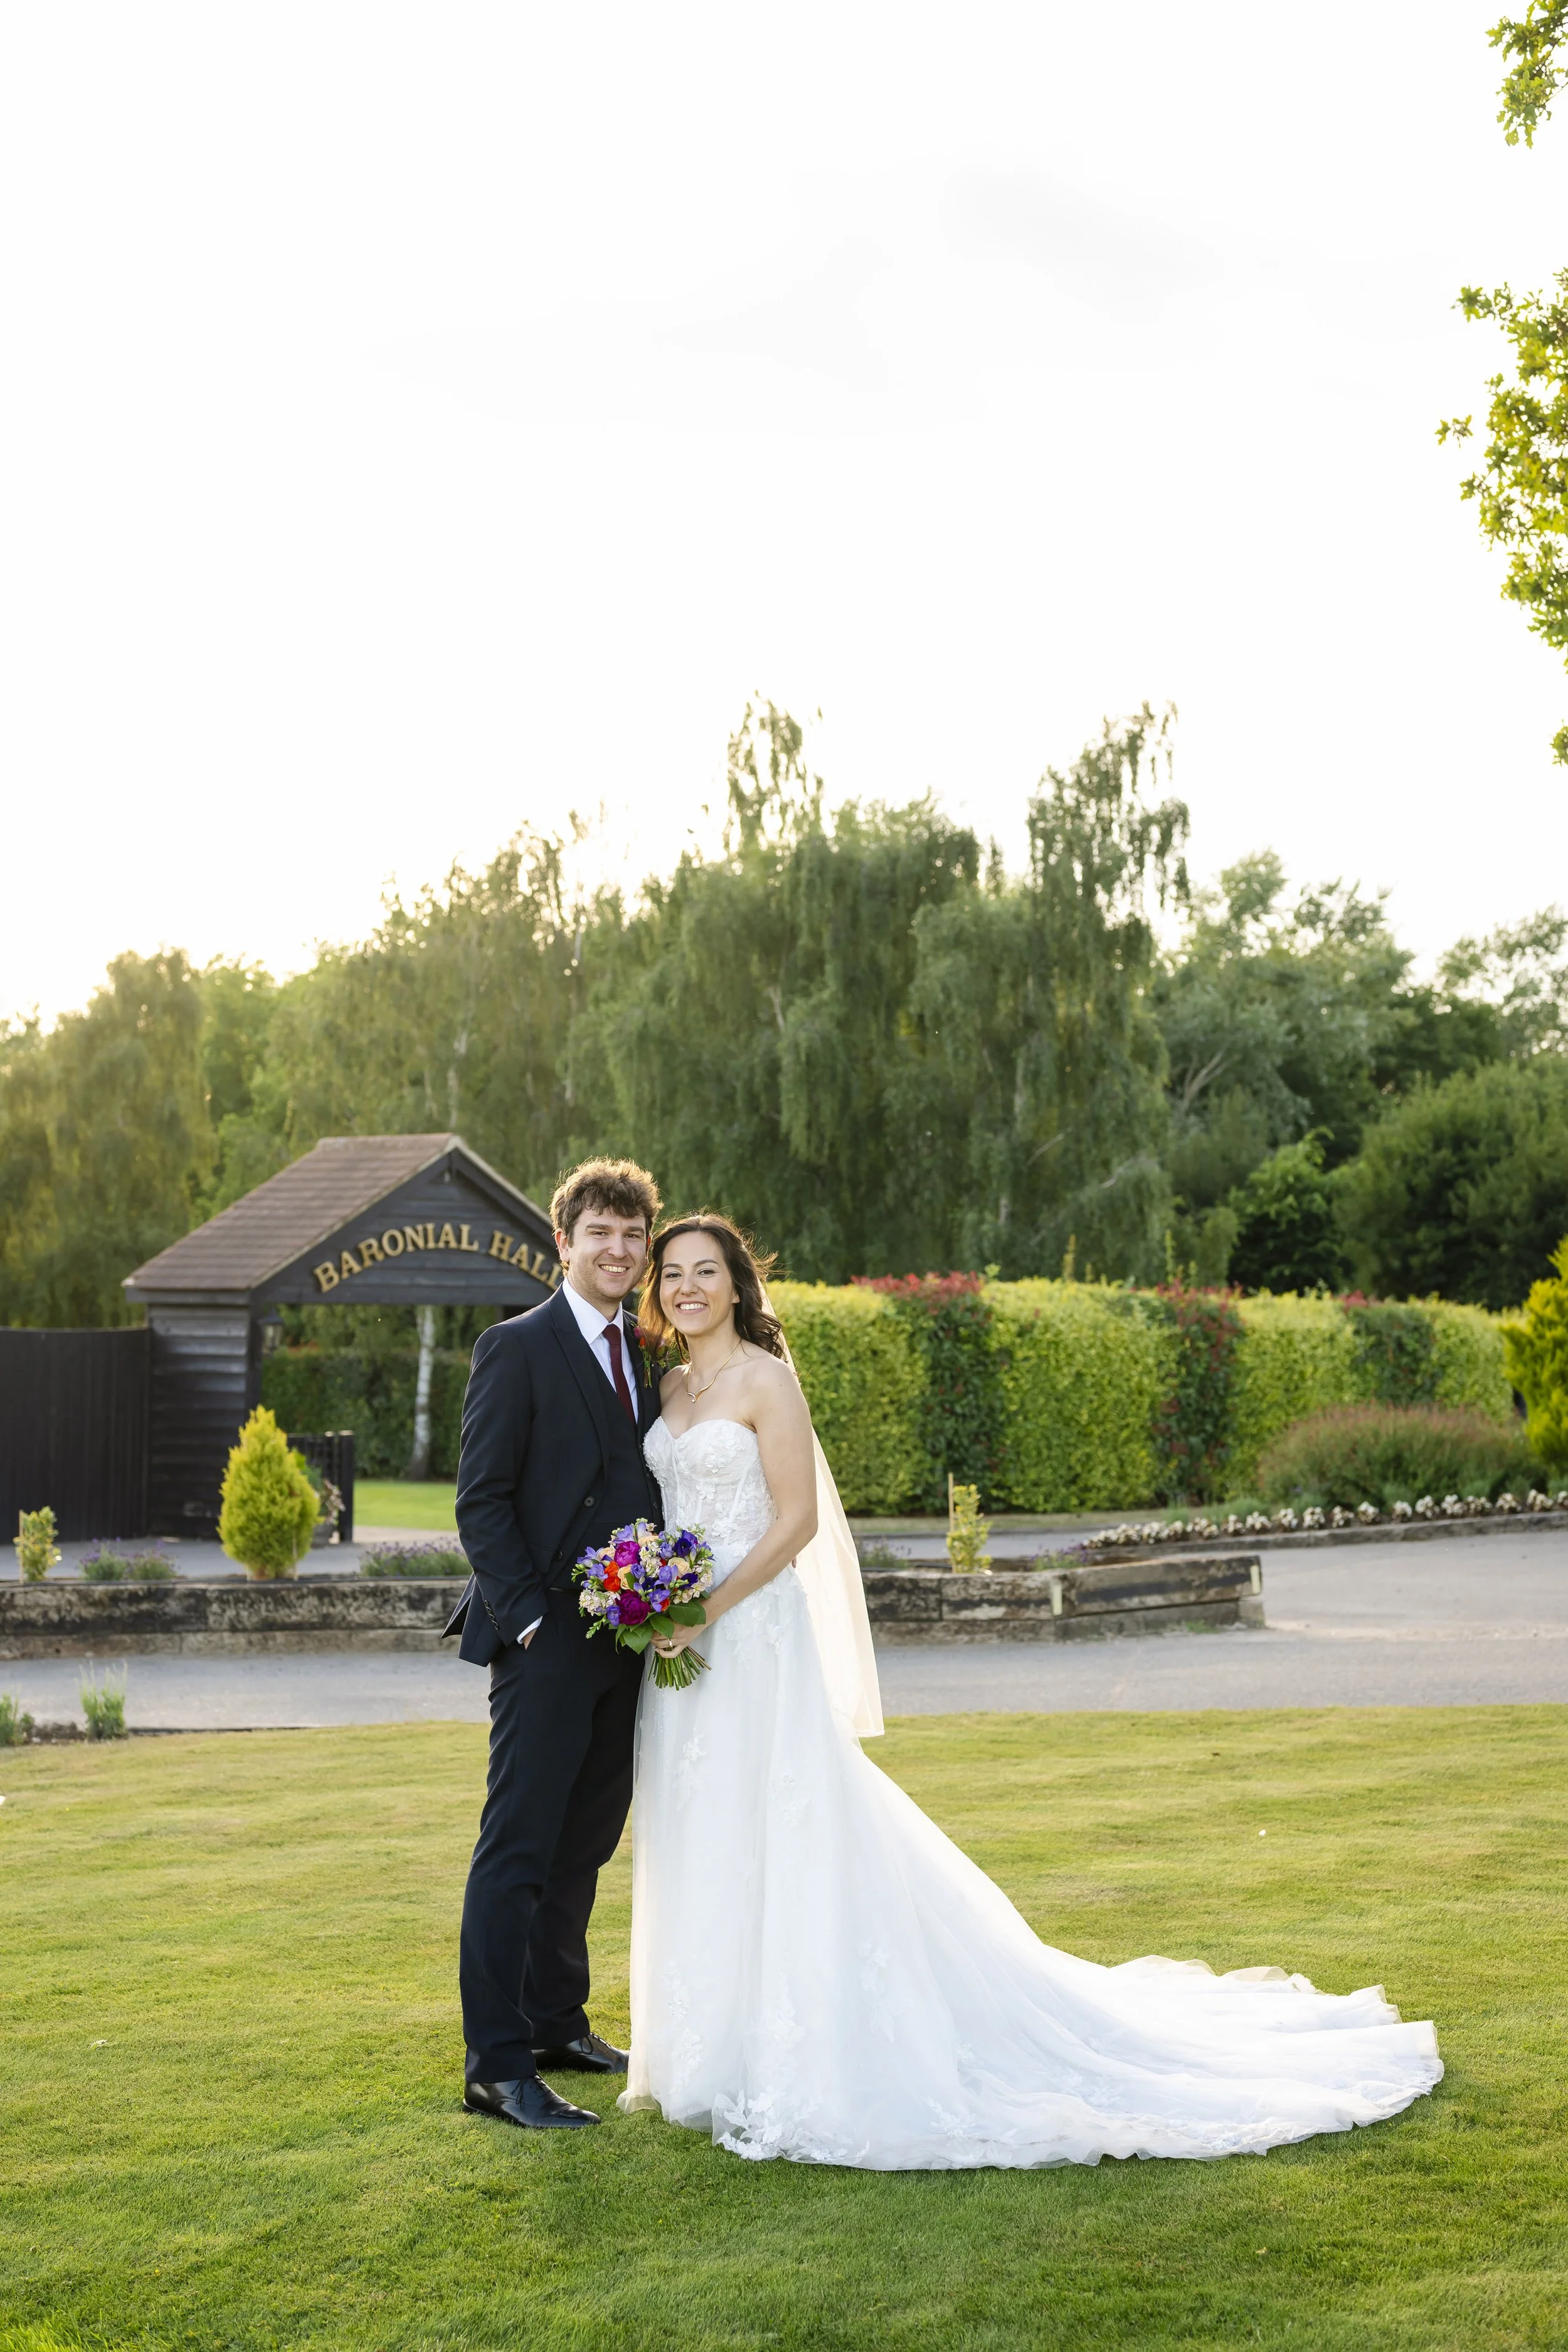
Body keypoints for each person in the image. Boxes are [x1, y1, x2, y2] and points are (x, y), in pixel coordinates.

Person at [622, 1212, 1443, 2169]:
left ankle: (801, 2047)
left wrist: (710, 1606)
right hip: (680, 1647)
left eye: (705, 1270)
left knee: (785, 1818)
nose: (687, 1286)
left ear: (736, 1283)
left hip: (753, 1633)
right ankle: (709, 2051)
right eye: (671, 1272)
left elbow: (797, 1519)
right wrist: (656, 1598)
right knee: (705, 1825)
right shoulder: (668, 1385)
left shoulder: (769, 1381)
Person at [447, 1157, 665, 2131]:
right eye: (600, 1233)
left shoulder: (646, 1352)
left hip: (628, 1639)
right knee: (520, 1847)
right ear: (563, 1241)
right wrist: (529, 1619)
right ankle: (496, 2068)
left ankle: (554, 2023)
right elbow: (481, 1499)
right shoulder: (516, 1346)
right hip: (542, 1640)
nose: (618, 1250)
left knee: (586, 1842)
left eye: (633, 1235)